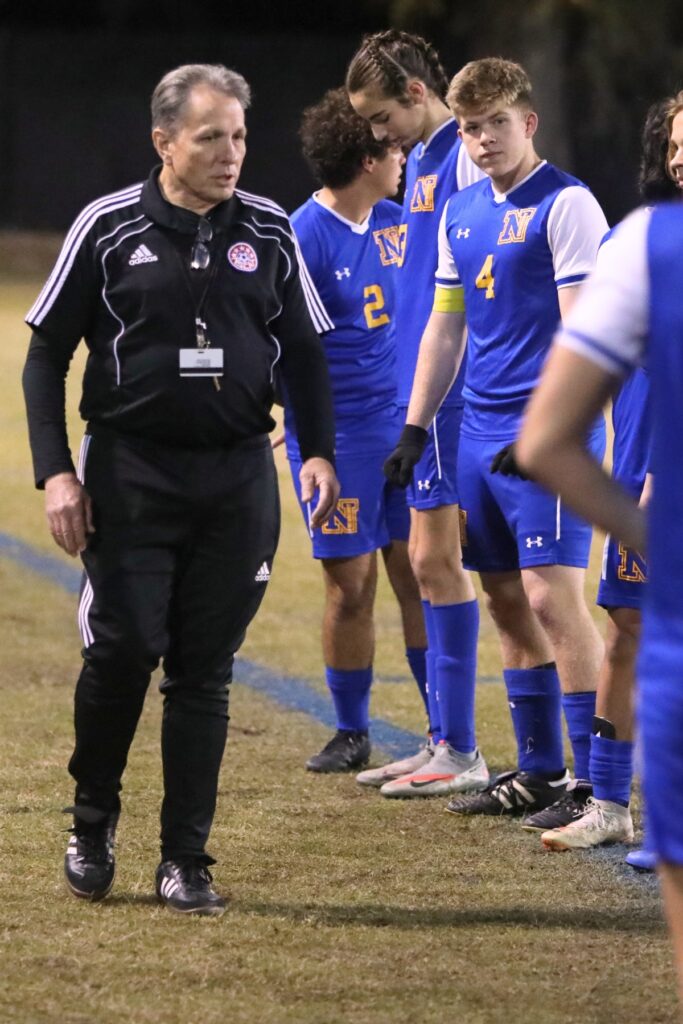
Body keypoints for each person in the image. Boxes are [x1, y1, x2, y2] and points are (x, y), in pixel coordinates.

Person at [22, 63, 339, 916]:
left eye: (238, 136)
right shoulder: (107, 225)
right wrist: (57, 470)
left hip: (237, 477)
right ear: (164, 142)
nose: (230, 153)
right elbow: (46, 353)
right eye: (210, 137)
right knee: (122, 653)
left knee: (204, 671)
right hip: (129, 474)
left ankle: (185, 860)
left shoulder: (269, 229)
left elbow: (306, 351)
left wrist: (317, 452)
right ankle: (92, 823)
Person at [385, 57, 608, 819]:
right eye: (471, 127)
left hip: (542, 434)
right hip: (476, 429)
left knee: (554, 598)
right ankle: (541, 771)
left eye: (497, 124)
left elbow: (586, 335)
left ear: (528, 122)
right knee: (506, 598)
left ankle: (598, 784)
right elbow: (446, 327)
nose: (482, 141)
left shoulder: (567, 204)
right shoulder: (461, 211)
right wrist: (417, 426)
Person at [515, 94, 683, 1010]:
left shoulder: (645, 249)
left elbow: (546, 436)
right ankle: (608, 799)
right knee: (619, 623)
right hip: (645, 459)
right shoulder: (646, 244)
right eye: (675, 135)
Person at [346, 30, 490, 798]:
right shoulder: (426, 162)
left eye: (378, 119)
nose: (375, 137)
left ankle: (460, 748)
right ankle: (448, 741)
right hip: (417, 390)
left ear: (411, 93)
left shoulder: (464, 152)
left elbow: (474, 283)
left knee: (444, 564)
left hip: (451, 394)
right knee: (432, 564)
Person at [281, 88, 428, 774]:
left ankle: (444, 729)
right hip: (339, 437)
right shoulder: (300, 237)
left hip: (406, 428)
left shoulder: (403, 223)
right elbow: (279, 344)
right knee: (351, 584)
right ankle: (350, 729)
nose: (401, 155)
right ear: (366, 159)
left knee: (420, 571)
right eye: (392, 147)